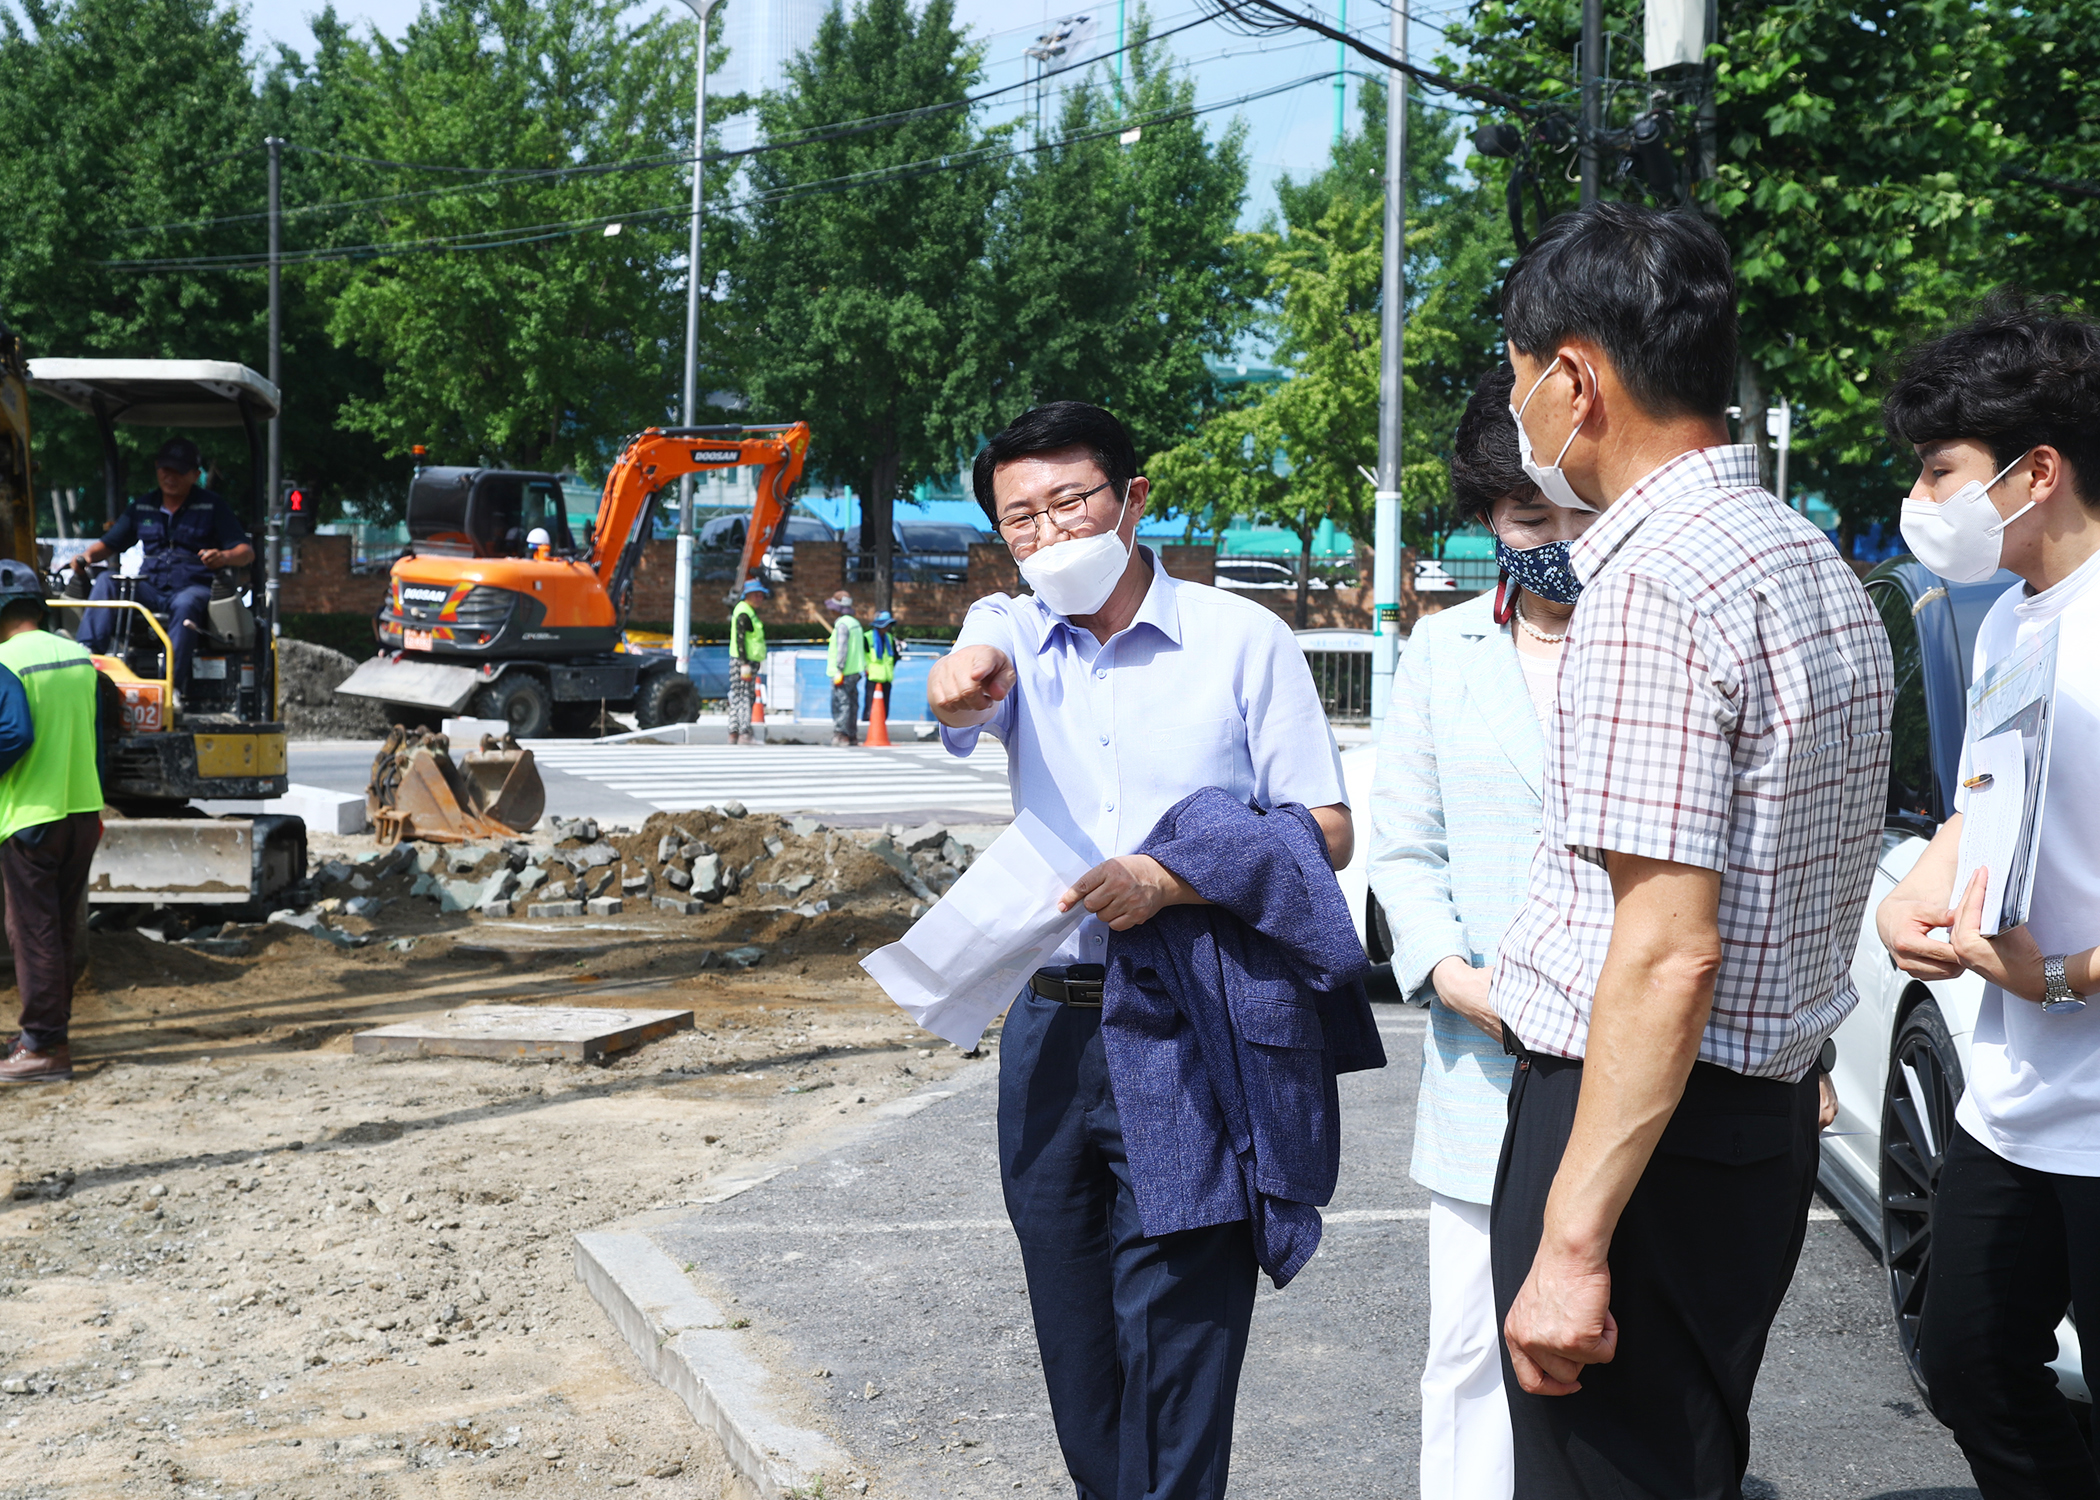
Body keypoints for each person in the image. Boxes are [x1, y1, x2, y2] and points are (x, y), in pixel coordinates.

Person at [1484, 203, 1893, 1500]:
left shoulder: (1655, 584)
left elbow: (1665, 954)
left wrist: (1572, 1240)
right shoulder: (1807, 559)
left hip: (1636, 1137)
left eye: (1516, 380)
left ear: (1576, 380)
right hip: (1748, 1128)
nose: (1518, 418)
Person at [927, 400, 1353, 1500]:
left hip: (1190, 1018)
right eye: (1021, 518)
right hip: (1053, 1026)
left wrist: (1169, 880)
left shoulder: (1239, 637)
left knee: (1178, 1338)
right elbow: (966, 672)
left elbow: (1328, 826)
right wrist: (953, 678)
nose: (1050, 534)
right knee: (1077, 1342)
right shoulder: (1012, 638)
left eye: (1072, 501)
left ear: (1133, 501)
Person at [1876, 296, 2100, 1500]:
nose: (1926, 502)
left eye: (1941, 470)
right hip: (2015, 1100)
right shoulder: (2011, 617)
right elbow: (1987, 796)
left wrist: (2061, 976)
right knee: (1968, 1362)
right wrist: (1924, 875)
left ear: (2038, 470)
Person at [1369, 364, 1596, 1500]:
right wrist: (1458, 977)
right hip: (1483, 1061)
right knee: (1468, 1348)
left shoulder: (1650, 645)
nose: (1556, 540)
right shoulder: (1442, 654)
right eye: (1527, 519)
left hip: (1632, 1063)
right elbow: (1404, 854)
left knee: (1617, 1346)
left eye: (1577, 514)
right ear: (1488, 523)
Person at [0, 560, 105, 1084]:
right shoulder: (81, 658)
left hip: (32, 817)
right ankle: (49, 1035)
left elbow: (14, 734)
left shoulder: (5, 662)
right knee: (61, 927)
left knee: (32, 930)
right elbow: (100, 737)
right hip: (83, 812)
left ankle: (42, 1047)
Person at [70, 437, 252, 696]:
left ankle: (170, 687)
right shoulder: (143, 505)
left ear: (195, 475)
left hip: (194, 587)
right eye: (165, 469)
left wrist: (222, 557)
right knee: (107, 581)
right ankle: (86, 654)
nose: (170, 476)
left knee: (186, 604)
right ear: (157, 468)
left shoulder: (213, 506)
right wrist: (86, 557)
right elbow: (109, 543)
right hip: (150, 587)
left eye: (178, 471)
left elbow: (245, 552)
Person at [729, 578, 767, 746]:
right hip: (743, 662)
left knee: (739, 697)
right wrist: (744, 663)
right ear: (748, 595)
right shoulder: (744, 612)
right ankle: (744, 733)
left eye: (761, 595)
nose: (760, 598)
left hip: (747, 661)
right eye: (757, 595)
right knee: (745, 696)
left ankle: (734, 733)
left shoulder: (747, 611)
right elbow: (740, 638)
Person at [824, 590, 864, 747]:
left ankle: (841, 734)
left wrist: (839, 669)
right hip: (855, 671)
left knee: (841, 704)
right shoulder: (855, 623)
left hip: (842, 672)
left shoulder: (842, 625)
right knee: (852, 704)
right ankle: (852, 734)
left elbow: (842, 648)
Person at [862, 609, 899, 721]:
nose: (886, 628)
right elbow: (862, 655)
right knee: (870, 706)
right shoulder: (867, 637)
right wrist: (865, 668)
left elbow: (895, 656)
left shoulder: (889, 638)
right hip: (873, 678)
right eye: (884, 625)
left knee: (884, 707)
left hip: (887, 678)